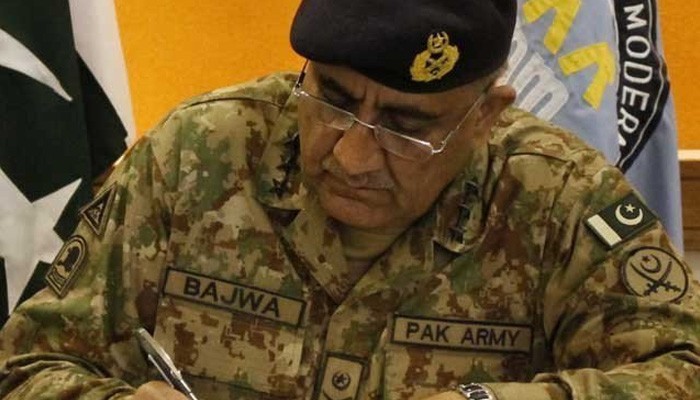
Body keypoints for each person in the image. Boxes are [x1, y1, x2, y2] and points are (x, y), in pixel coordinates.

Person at [1, 0, 699, 399]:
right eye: (332, 100)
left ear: (486, 116)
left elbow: (682, 371)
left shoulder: (557, 199)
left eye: (407, 127)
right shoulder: (200, 155)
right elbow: (27, 363)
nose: (352, 156)